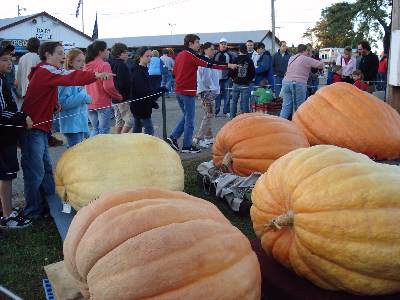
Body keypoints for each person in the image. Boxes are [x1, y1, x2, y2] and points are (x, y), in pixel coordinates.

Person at [20, 41, 114, 219]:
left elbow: (45, 92)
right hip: (33, 128)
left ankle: (48, 205)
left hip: (41, 128)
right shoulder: (46, 70)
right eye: (59, 53)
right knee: (35, 171)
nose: (63, 56)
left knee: (46, 169)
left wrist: (53, 106)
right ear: (47, 55)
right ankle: (32, 212)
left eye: (64, 52)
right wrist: (96, 75)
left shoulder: (43, 71)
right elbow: (70, 77)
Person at [166, 34, 237, 154]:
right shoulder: (191, 55)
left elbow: (174, 73)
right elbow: (209, 63)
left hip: (179, 90)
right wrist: (228, 65)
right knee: (190, 119)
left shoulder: (180, 55)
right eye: (197, 42)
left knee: (186, 116)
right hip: (187, 91)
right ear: (190, 44)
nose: (199, 45)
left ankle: (173, 137)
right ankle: (187, 145)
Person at [0, 44, 33, 228]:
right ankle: (7, 216)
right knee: (6, 175)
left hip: (6, 135)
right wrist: (23, 117)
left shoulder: (3, 78)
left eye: (10, 59)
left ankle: (6, 209)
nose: (9, 63)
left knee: (5, 174)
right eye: (4, 60)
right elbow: (2, 112)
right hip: (3, 137)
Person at [84, 41, 123, 136]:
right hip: (102, 102)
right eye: (106, 49)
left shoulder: (86, 65)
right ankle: (101, 150)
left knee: (95, 129)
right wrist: (118, 96)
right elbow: (108, 86)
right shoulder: (104, 65)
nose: (108, 51)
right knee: (104, 131)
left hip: (89, 102)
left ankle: (93, 148)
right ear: (100, 52)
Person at [58, 48, 92, 148]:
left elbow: (84, 98)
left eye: (83, 61)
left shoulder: (79, 77)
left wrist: (86, 98)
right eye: (79, 61)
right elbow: (63, 103)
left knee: (80, 155)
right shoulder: (67, 78)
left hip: (80, 124)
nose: (82, 64)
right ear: (70, 62)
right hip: (71, 126)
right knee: (75, 156)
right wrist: (83, 97)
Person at [279, 44, 324, 120]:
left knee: (286, 106)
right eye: (308, 51)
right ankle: (296, 126)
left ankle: (280, 124)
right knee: (298, 108)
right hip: (298, 83)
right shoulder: (306, 59)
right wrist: (313, 57)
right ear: (305, 51)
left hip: (286, 82)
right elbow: (320, 65)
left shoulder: (292, 57)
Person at [130, 47, 167, 135]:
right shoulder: (137, 71)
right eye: (147, 56)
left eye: (150, 56)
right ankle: (148, 147)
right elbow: (144, 91)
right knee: (149, 129)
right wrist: (160, 90)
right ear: (140, 57)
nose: (149, 58)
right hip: (140, 105)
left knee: (138, 126)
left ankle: (136, 145)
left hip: (141, 105)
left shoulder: (144, 69)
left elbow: (147, 89)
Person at [194, 42, 220, 148]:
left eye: (214, 49)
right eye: (211, 49)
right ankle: (199, 138)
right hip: (206, 92)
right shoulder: (204, 61)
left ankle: (209, 137)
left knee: (208, 114)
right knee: (209, 114)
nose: (213, 51)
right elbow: (205, 78)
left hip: (207, 91)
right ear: (205, 50)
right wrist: (212, 88)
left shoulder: (207, 61)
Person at [109, 43, 133, 134]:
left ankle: (116, 140)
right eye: (126, 52)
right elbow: (124, 82)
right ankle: (121, 139)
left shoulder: (110, 63)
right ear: (120, 53)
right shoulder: (122, 65)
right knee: (130, 121)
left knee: (119, 121)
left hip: (114, 97)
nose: (127, 54)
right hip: (122, 97)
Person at [230, 43, 255, 118]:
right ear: (246, 50)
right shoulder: (249, 60)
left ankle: (232, 118)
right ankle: (245, 119)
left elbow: (231, 71)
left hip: (236, 83)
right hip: (245, 84)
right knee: (245, 102)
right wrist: (248, 80)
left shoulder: (235, 59)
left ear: (239, 50)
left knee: (234, 101)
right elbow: (253, 72)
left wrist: (233, 78)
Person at [214, 38, 237, 117]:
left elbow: (233, 65)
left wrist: (231, 76)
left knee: (227, 95)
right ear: (219, 45)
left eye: (225, 44)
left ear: (227, 45)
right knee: (217, 95)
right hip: (217, 78)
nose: (223, 45)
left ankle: (226, 111)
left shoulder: (231, 54)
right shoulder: (215, 54)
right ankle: (216, 111)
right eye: (222, 44)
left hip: (227, 78)